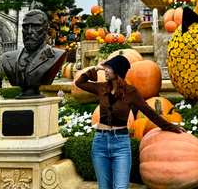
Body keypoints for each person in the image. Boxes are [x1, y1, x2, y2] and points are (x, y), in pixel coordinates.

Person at [75, 55, 185, 189]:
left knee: (120, 187)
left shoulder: (131, 92)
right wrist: (96, 68)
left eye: (109, 68)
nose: (105, 70)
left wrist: (172, 127)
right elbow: (79, 82)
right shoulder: (102, 88)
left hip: (120, 145)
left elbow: (150, 113)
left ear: (117, 71)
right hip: (100, 143)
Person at [1, 9, 66, 99]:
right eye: (26, 27)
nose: (29, 31)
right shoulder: (8, 58)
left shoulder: (56, 55)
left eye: (36, 26)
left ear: (46, 30)